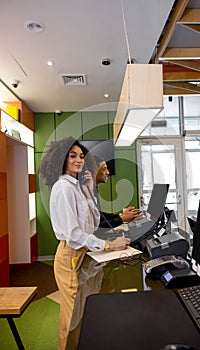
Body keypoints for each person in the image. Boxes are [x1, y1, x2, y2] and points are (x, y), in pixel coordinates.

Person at [39, 137, 130, 350]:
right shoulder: (63, 188)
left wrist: (89, 190)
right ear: (61, 159)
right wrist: (109, 246)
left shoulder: (76, 186)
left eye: (81, 156)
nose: (79, 160)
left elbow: (93, 222)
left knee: (84, 311)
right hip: (70, 255)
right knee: (71, 317)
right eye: (72, 156)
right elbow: (74, 234)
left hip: (83, 253)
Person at [94, 155, 142, 229]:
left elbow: (99, 215)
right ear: (94, 171)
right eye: (104, 169)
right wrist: (122, 218)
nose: (108, 172)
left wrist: (121, 215)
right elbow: (97, 226)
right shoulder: (85, 192)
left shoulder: (94, 189)